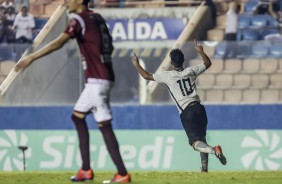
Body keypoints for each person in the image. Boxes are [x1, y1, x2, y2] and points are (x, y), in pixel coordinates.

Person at [14, 0, 131, 183]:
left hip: (97, 80)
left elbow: (59, 43)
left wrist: (32, 57)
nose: (65, 3)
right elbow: (110, 46)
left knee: (104, 125)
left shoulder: (79, 18)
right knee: (77, 117)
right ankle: (86, 170)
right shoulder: (97, 17)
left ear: (79, 1)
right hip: (100, 76)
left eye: (68, 0)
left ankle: (122, 174)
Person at [131, 40, 227, 172]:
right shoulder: (191, 71)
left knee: (195, 143)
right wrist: (200, 51)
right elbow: (208, 63)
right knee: (202, 138)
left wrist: (136, 64)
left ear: (171, 63)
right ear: (183, 60)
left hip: (187, 112)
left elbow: (146, 76)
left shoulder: (168, 76)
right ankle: (204, 170)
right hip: (199, 108)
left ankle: (213, 150)